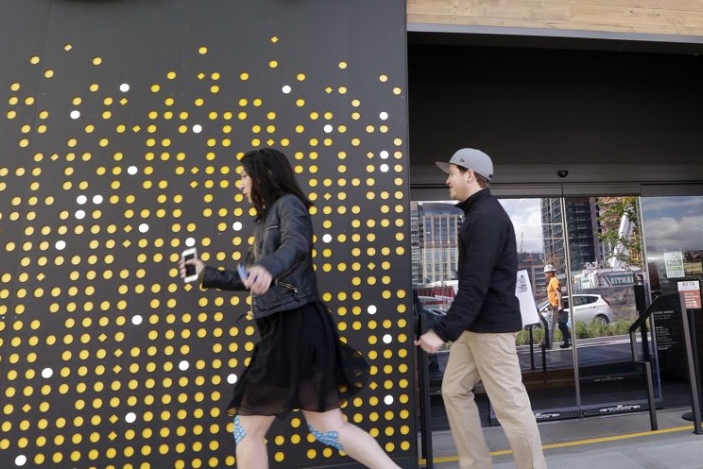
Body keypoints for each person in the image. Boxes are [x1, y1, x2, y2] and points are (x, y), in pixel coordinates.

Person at [180, 148, 401, 469]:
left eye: (244, 176)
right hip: (295, 326)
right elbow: (247, 278)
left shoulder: (288, 205)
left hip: (293, 324)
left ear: (266, 175)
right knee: (328, 428)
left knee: (247, 427)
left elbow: (296, 245)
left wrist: (268, 267)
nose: (239, 184)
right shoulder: (264, 222)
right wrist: (204, 272)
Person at [416, 148, 547, 469]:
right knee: (453, 390)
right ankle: (476, 463)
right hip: (475, 327)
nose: (447, 180)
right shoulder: (477, 215)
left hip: (492, 329)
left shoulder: (486, 219)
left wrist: (441, 331)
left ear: (469, 175)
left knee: (511, 408)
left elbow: (476, 285)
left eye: (451, 173)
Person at [543, 264, 571, 349]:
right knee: (562, 325)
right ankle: (568, 342)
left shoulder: (554, 280)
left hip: (555, 307)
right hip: (555, 306)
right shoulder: (552, 280)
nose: (545, 275)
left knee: (549, 326)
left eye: (546, 273)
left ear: (550, 273)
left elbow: (558, 293)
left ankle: (548, 344)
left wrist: (559, 306)